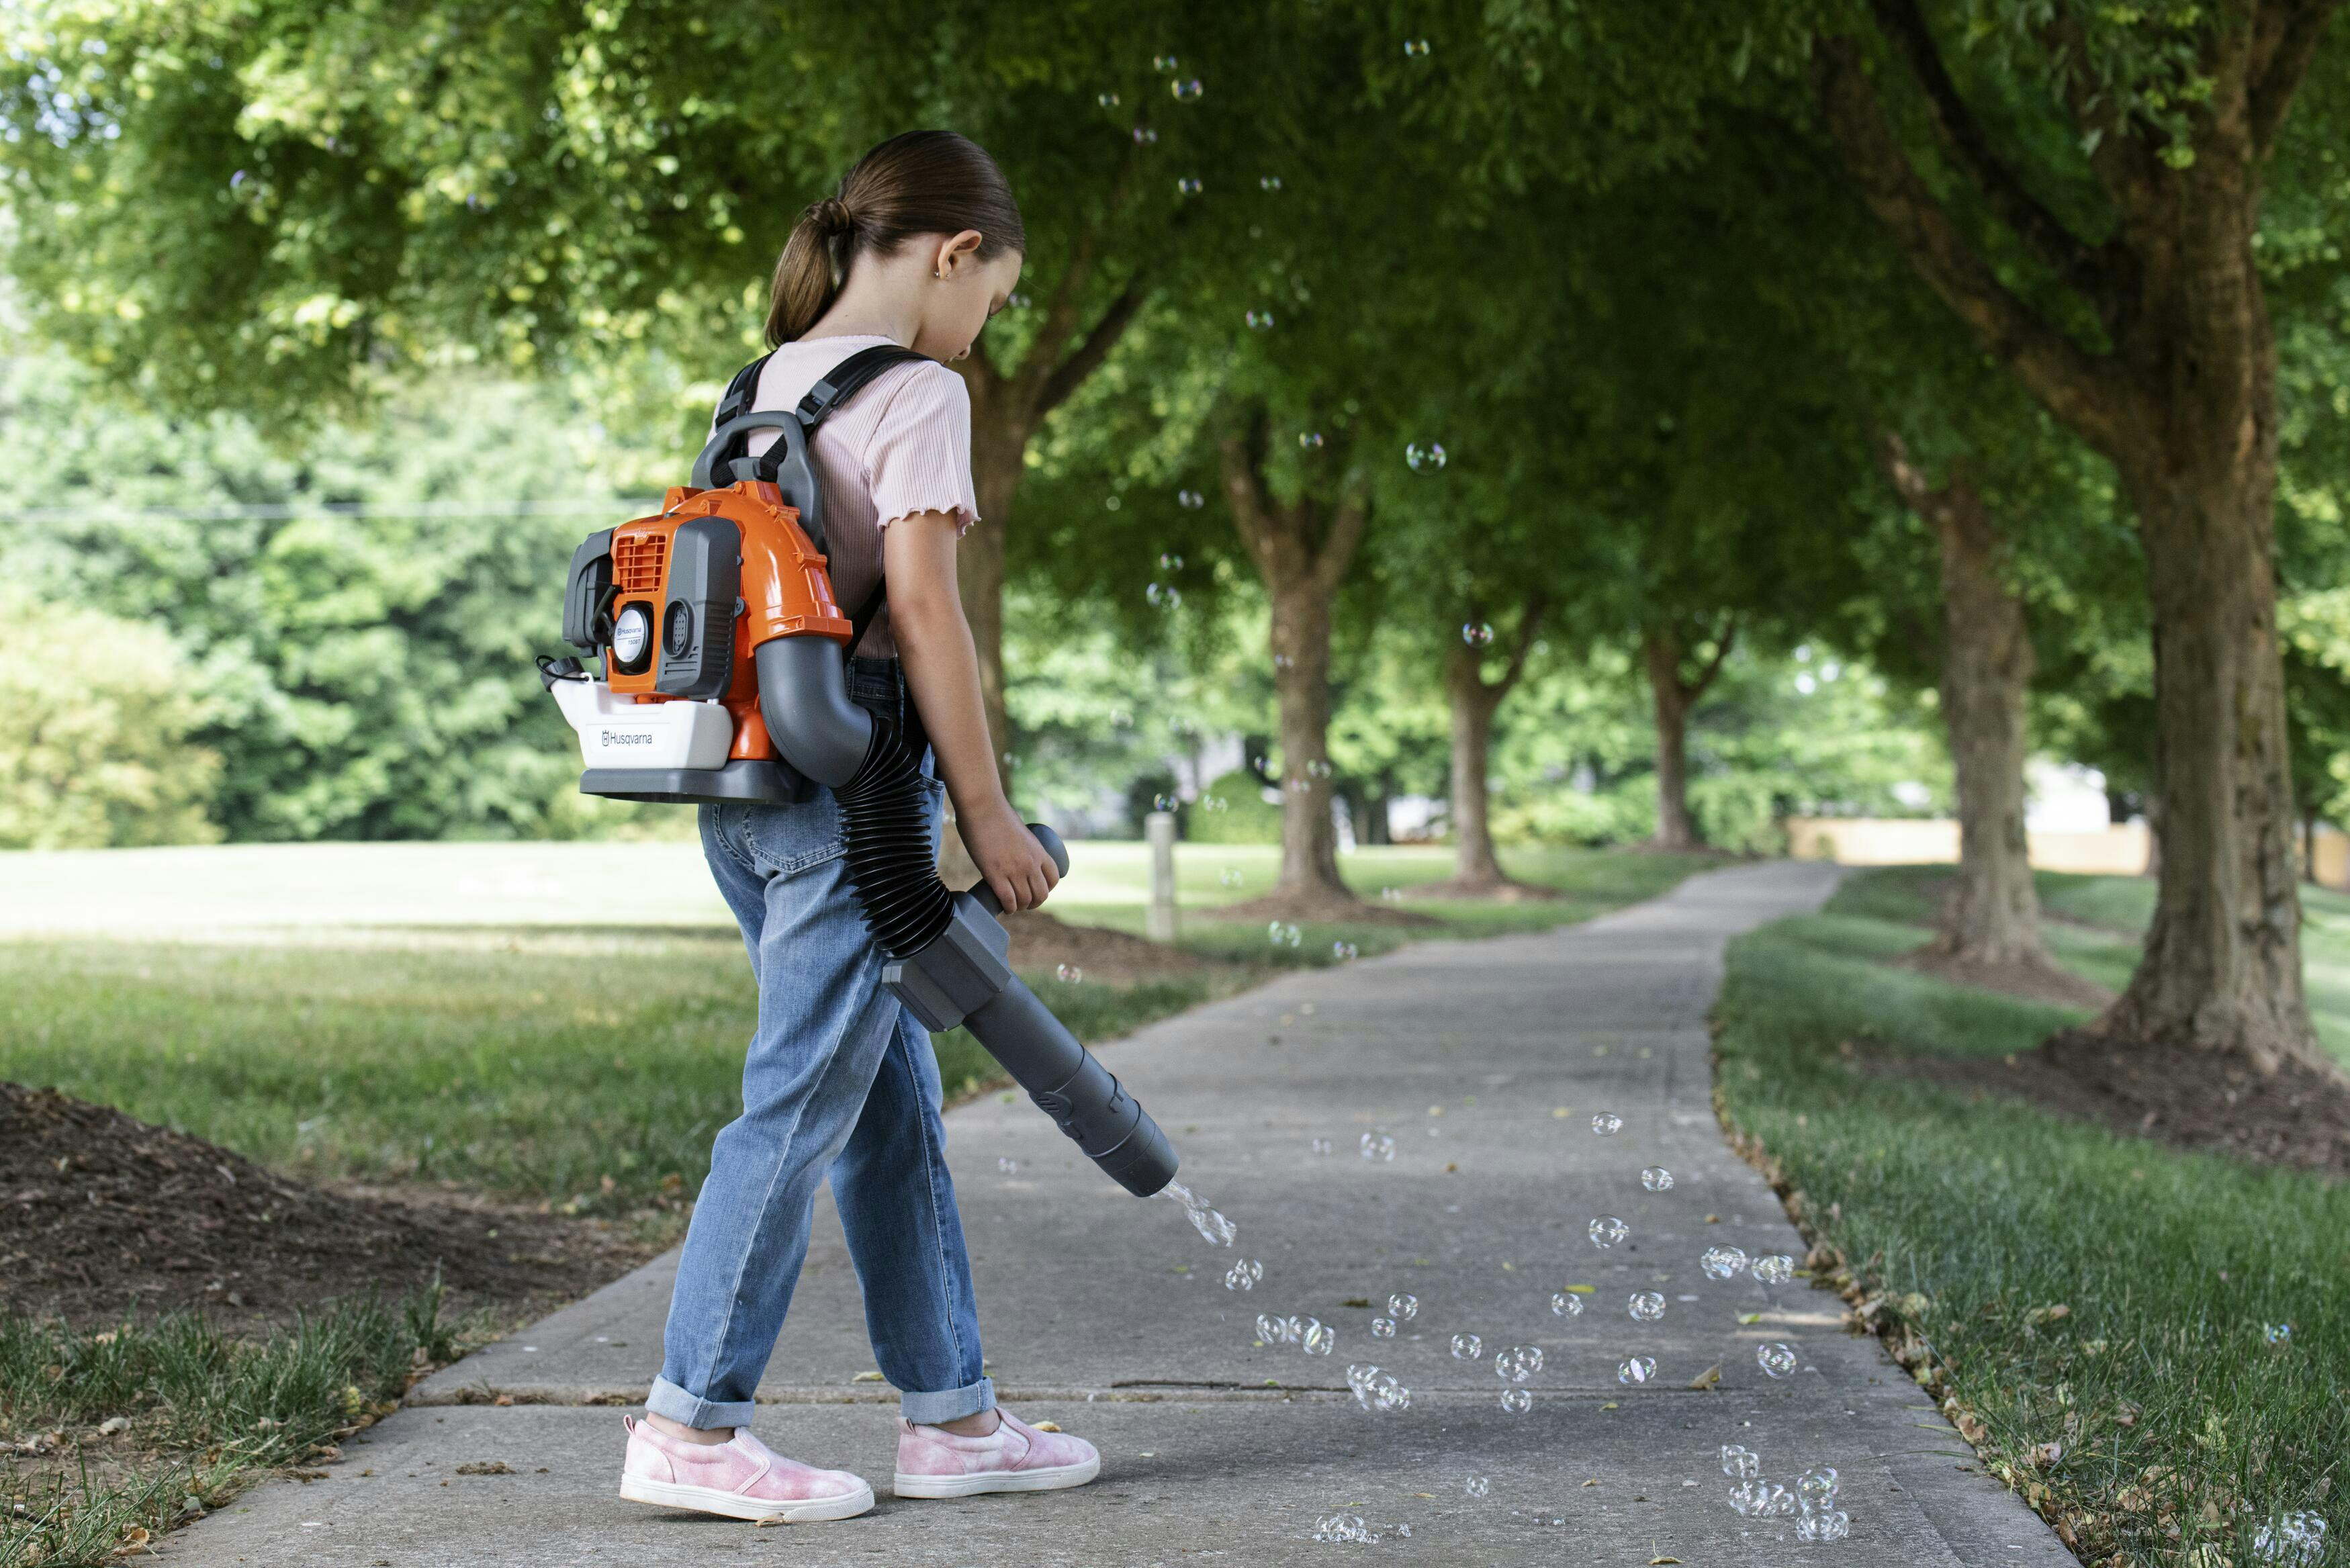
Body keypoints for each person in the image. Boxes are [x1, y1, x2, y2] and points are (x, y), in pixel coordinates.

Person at [616, 130, 1094, 1524]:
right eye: (991, 300)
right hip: (854, 807)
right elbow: (926, 612)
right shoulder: (920, 392)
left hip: (747, 795)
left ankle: (951, 1417)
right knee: (798, 1107)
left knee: (887, 1107)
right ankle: (691, 1425)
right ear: (954, 256)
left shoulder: (754, 386)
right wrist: (990, 815)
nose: (983, 331)